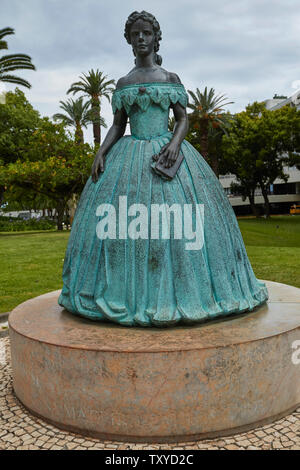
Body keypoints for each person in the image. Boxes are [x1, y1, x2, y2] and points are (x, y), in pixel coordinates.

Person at [58, 11, 268, 326]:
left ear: (156, 38)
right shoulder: (124, 83)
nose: (141, 39)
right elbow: (117, 125)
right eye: (135, 34)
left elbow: (183, 119)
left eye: (146, 33)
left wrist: (174, 144)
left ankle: (187, 291)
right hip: (127, 159)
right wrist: (101, 151)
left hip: (167, 155)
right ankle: (125, 293)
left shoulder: (169, 79)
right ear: (129, 41)